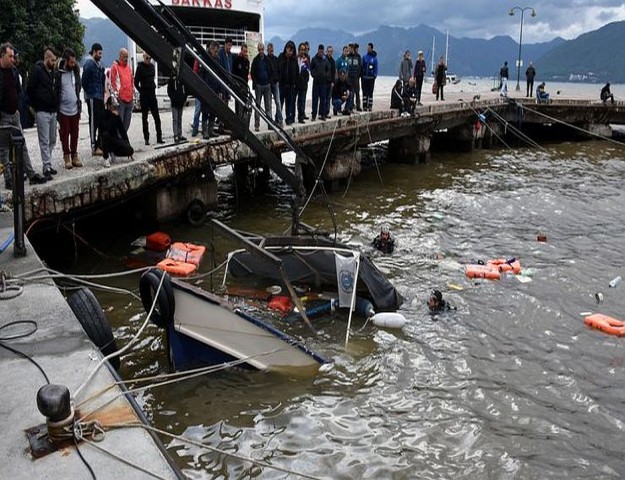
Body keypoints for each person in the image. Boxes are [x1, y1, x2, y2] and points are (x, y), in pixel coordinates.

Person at [0, 42, 47, 189]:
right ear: (2, 55)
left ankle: (31, 174)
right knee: (4, 149)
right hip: (2, 116)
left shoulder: (14, 71)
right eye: (10, 56)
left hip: (15, 114)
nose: (13, 59)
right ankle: (8, 179)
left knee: (22, 145)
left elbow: (19, 91)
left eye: (13, 56)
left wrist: (19, 108)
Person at [27, 47, 59, 180]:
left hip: (52, 111)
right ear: (46, 58)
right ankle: (46, 166)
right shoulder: (37, 71)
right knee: (44, 140)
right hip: (41, 111)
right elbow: (29, 89)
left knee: (52, 139)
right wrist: (34, 105)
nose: (54, 63)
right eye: (52, 60)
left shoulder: (51, 72)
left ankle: (48, 163)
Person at [54, 48, 83, 170]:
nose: (73, 64)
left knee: (75, 133)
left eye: (74, 62)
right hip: (63, 109)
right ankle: (66, 156)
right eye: (71, 62)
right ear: (66, 60)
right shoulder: (58, 73)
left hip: (75, 107)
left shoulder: (75, 71)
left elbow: (78, 86)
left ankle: (74, 155)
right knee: (64, 134)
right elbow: (56, 90)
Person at [134, 52, 163, 145]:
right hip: (144, 95)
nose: (148, 60)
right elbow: (135, 82)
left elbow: (153, 77)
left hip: (152, 94)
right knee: (144, 117)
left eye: (149, 58)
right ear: (143, 57)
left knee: (157, 117)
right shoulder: (139, 68)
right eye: (147, 58)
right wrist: (141, 91)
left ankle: (159, 137)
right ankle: (146, 138)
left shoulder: (152, 67)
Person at [82, 42, 105, 157]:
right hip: (92, 97)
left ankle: (99, 144)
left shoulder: (98, 64)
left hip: (99, 96)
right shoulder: (89, 64)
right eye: (99, 53)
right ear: (94, 52)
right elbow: (84, 82)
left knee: (101, 121)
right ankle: (93, 146)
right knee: (93, 122)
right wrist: (89, 93)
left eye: (101, 54)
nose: (100, 56)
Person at [100, 96, 133, 166]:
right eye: (113, 106)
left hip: (115, 140)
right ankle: (106, 158)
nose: (115, 108)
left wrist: (128, 144)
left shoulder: (116, 116)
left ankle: (114, 153)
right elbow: (105, 128)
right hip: (105, 140)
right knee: (105, 135)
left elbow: (122, 131)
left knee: (130, 150)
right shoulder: (103, 114)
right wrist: (112, 116)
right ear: (109, 106)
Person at [250, 42, 272, 132]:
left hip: (267, 85)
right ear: (258, 50)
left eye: (262, 49)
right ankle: (257, 125)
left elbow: (271, 70)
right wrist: (256, 83)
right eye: (259, 50)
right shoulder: (255, 60)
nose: (261, 51)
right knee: (257, 106)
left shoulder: (267, 60)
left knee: (268, 106)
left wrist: (269, 81)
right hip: (259, 86)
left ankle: (270, 124)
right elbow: (252, 72)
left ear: (264, 49)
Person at [110, 48, 134, 131]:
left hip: (129, 99)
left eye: (127, 57)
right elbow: (112, 84)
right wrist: (116, 97)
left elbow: (132, 81)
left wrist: (132, 93)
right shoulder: (115, 68)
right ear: (120, 56)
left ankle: (122, 140)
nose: (126, 59)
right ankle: (119, 141)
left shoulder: (128, 68)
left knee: (127, 124)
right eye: (124, 57)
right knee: (119, 124)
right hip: (120, 100)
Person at [278, 40, 298, 125]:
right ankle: (278, 119)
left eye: (292, 51)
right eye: (289, 50)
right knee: (280, 103)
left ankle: (288, 119)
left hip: (290, 86)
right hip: (281, 85)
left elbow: (296, 72)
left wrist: (294, 83)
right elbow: (277, 69)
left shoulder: (294, 60)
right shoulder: (281, 57)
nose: (290, 52)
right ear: (286, 49)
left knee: (289, 104)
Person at [310, 44, 330, 121]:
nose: (321, 52)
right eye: (320, 51)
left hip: (323, 83)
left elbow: (328, 69)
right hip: (316, 83)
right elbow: (311, 68)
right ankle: (313, 115)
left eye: (322, 51)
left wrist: (326, 76)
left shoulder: (325, 59)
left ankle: (323, 115)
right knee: (315, 100)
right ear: (318, 50)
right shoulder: (314, 59)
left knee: (323, 99)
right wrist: (313, 74)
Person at [167, 74, 187, 143]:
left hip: (180, 102)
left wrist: (184, 99)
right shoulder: (172, 79)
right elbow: (169, 91)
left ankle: (179, 134)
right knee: (175, 119)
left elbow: (185, 90)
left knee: (179, 119)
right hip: (175, 102)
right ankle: (175, 135)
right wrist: (173, 99)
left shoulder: (182, 79)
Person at [232, 43, 250, 121]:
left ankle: (243, 118)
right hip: (238, 84)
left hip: (245, 85)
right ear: (241, 51)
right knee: (238, 103)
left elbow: (246, 74)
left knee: (244, 102)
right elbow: (233, 72)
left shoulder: (247, 62)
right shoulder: (236, 60)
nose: (245, 53)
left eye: (246, 51)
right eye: (244, 51)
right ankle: (238, 118)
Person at [266, 43, 283, 126]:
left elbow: (279, 70)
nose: (271, 52)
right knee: (269, 104)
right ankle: (270, 123)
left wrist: (277, 79)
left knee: (278, 102)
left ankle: (280, 121)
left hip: (275, 83)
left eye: (272, 50)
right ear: (267, 50)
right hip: (268, 84)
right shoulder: (265, 60)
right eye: (270, 51)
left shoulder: (276, 59)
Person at [361, 42, 378, 112]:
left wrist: (374, 75)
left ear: (371, 48)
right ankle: (364, 106)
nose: (367, 49)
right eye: (367, 48)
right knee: (364, 92)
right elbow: (361, 66)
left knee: (370, 93)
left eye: (369, 48)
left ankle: (370, 106)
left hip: (371, 78)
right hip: (364, 78)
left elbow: (376, 67)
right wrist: (361, 75)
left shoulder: (374, 58)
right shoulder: (364, 57)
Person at [296, 42, 310, 124]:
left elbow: (308, 71)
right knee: (294, 101)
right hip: (296, 84)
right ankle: (291, 117)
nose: (303, 51)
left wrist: (305, 81)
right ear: (299, 50)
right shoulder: (295, 59)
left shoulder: (306, 60)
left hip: (303, 84)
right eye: (301, 50)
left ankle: (301, 117)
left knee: (302, 101)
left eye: (304, 50)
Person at [347, 43, 363, 111]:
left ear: (352, 49)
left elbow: (360, 67)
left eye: (349, 48)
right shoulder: (348, 57)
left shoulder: (358, 56)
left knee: (357, 92)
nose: (348, 50)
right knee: (350, 92)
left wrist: (358, 75)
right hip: (349, 77)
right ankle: (350, 105)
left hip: (356, 77)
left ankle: (358, 106)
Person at [325, 45, 336, 118]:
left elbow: (333, 72)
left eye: (331, 52)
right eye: (328, 51)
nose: (329, 53)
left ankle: (327, 112)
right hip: (324, 81)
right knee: (323, 98)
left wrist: (333, 82)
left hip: (330, 82)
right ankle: (321, 112)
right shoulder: (324, 59)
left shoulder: (333, 61)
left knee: (328, 98)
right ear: (326, 52)